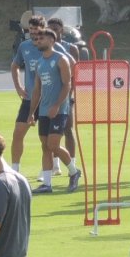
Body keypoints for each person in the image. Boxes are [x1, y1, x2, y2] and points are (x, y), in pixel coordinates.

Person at [27, 28, 82, 194]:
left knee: (53, 145)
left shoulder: (61, 59)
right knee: (45, 147)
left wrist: (57, 105)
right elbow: (37, 90)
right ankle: (47, 184)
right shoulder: (39, 63)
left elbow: (67, 84)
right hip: (44, 110)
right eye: (36, 39)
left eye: (41, 39)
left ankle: (74, 172)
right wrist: (31, 113)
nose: (38, 41)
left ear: (52, 40)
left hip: (59, 110)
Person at [9, 15, 46, 176]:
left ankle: (50, 169)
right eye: (30, 29)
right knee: (18, 132)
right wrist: (18, 86)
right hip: (30, 98)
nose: (32, 32)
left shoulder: (50, 46)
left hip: (47, 99)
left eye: (36, 29)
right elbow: (15, 65)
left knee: (46, 138)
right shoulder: (24, 46)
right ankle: (15, 169)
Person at [47, 16, 80, 176]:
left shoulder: (70, 48)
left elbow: (76, 73)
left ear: (61, 30)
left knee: (68, 128)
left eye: (56, 28)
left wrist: (71, 93)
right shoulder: (46, 48)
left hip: (67, 95)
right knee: (52, 131)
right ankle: (55, 164)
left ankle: (72, 162)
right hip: (51, 95)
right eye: (50, 28)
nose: (53, 30)